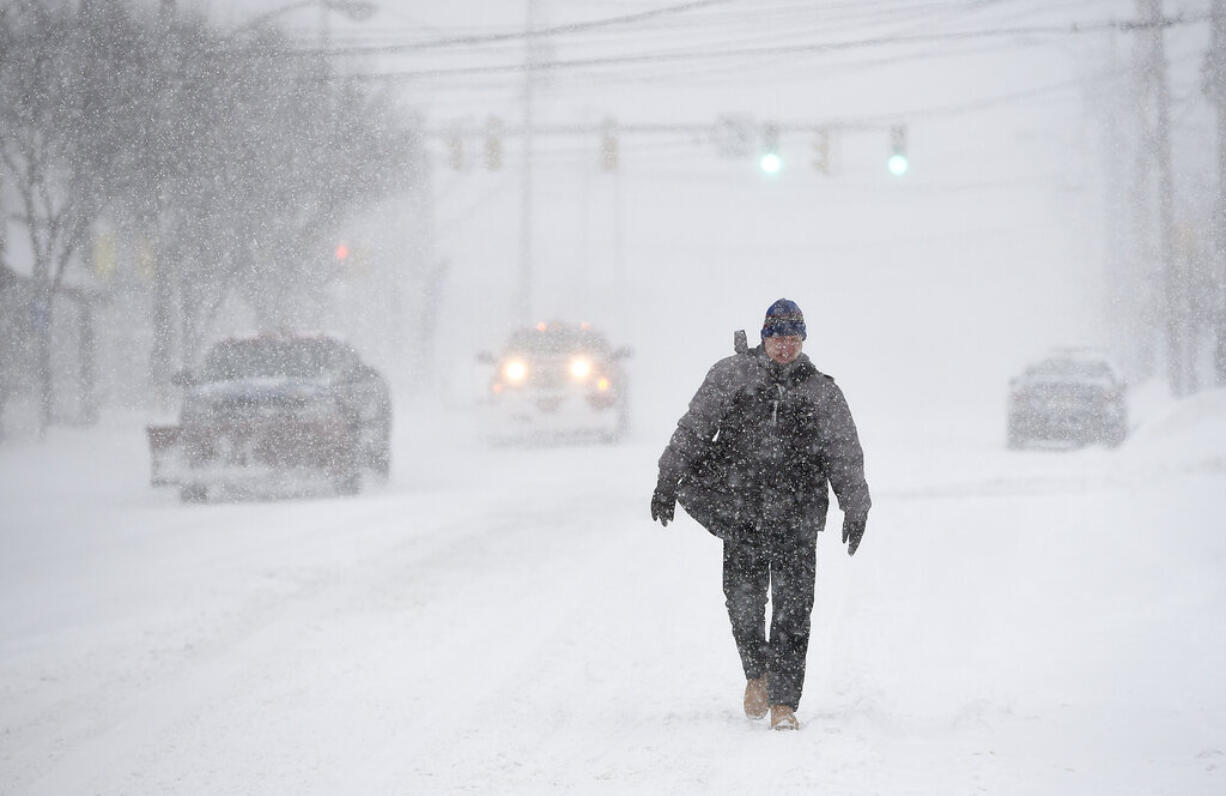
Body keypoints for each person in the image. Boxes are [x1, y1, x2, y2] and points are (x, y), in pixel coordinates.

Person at [650, 298, 871, 731]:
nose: (785, 347)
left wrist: (856, 505)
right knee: (744, 605)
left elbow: (843, 451)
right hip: (742, 512)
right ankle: (757, 674)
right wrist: (666, 478)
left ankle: (784, 705)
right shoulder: (731, 376)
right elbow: (694, 428)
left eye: (793, 338)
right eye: (776, 337)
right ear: (764, 337)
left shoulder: (820, 390)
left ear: (803, 340)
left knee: (793, 611)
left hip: (798, 515)